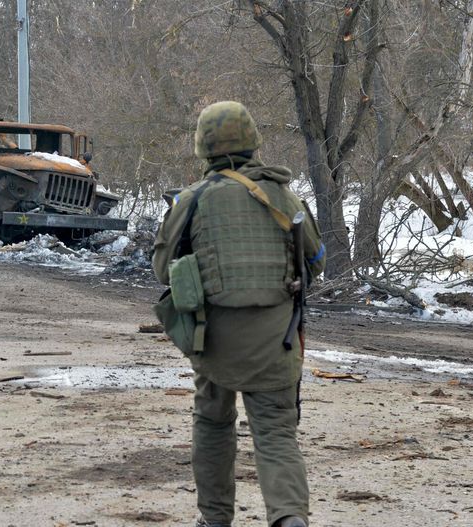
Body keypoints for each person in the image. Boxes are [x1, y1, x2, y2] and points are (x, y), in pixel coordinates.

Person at [152, 101, 325, 527]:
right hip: (278, 341)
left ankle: (214, 520)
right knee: (277, 436)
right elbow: (316, 260)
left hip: (213, 341)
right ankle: (289, 519)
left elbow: (162, 269)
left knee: (212, 426)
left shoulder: (192, 200)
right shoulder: (283, 195)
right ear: (253, 142)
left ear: (203, 148)